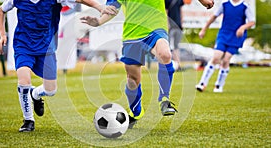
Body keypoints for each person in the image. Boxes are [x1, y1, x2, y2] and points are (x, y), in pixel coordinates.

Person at [81, 0, 214, 128]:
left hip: (156, 28)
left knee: (165, 54)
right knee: (133, 80)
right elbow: (112, 8)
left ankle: (164, 100)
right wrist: (98, 21)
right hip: (132, 35)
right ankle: (136, 112)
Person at [0, 0, 117, 132]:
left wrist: (100, 8)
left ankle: (35, 94)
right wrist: (2, 34)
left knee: (51, 90)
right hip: (23, 45)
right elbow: (0, 10)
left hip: (46, 48)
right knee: (24, 80)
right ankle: (28, 120)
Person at [195, 0, 255, 93]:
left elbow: (252, 22)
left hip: (236, 37)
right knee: (216, 57)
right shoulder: (224, 4)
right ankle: (202, 83)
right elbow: (214, 17)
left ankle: (219, 85)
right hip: (224, 34)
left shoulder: (245, 6)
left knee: (226, 60)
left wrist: (242, 28)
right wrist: (204, 29)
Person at [165, 0, 190, 71]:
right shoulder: (167, 1)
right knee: (170, 46)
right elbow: (166, 12)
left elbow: (181, 11)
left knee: (176, 46)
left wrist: (181, 23)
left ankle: (177, 65)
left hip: (178, 26)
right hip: (171, 26)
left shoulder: (179, 0)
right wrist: (167, 25)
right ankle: (170, 65)